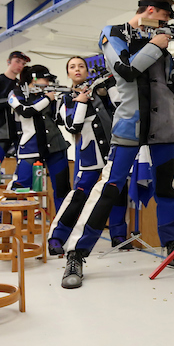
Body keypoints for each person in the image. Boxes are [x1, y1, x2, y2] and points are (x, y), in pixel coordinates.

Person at [63, 0, 174, 282]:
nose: (164, 24)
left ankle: (173, 247)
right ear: (149, 11)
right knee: (109, 189)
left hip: (163, 127)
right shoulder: (112, 33)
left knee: (166, 191)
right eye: (162, 17)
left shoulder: (160, 43)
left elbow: (173, 87)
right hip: (129, 124)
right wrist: (156, 45)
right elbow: (126, 70)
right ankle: (76, 254)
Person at [49, 57, 129, 287]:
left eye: (81, 66)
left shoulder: (100, 91)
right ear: (68, 73)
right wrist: (82, 100)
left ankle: (118, 235)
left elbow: (119, 110)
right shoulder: (65, 98)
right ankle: (57, 237)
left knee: (117, 195)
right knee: (79, 197)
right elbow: (72, 125)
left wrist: (105, 92)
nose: (77, 69)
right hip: (89, 158)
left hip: (111, 156)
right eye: (72, 67)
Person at [7, 64, 70, 204]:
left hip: (55, 145)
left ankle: (62, 225)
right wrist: (48, 99)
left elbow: (59, 120)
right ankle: (6, 222)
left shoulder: (48, 94)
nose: (48, 83)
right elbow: (25, 110)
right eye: (45, 80)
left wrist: (63, 100)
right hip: (30, 146)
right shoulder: (16, 93)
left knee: (62, 190)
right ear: (34, 79)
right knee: (19, 187)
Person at [0, 51, 29, 165]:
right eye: (17, 62)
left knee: (24, 166)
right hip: (2, 130)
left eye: (23, 64)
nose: (20, 66)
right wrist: (12, 101)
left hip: (21, 131)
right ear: (8, 62)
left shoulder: (22, 85)